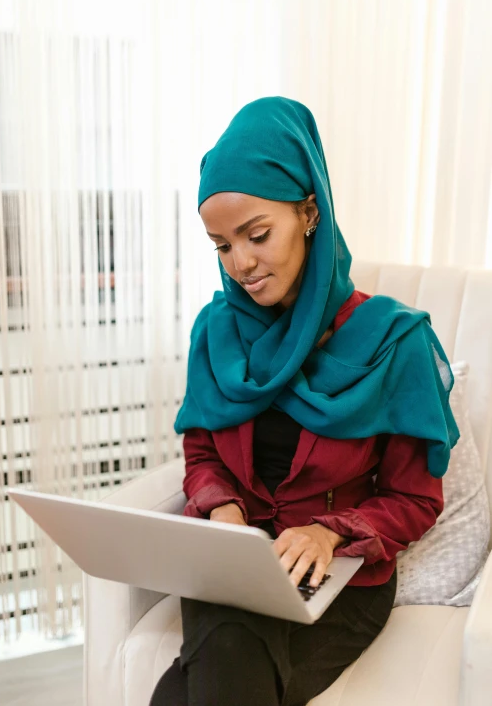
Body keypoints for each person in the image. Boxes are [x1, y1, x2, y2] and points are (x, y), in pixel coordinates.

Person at [149, 96, 459, 706]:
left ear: (309, 212)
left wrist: (328, 533)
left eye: (256, 235)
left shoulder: (394, 341)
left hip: (341, 579)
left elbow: (416, 498)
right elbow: (202, 452)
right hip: (235, 571)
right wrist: (223, 515)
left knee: (191, 687)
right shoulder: (217, 333)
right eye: (220, 246)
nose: (240, 264)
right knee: (232, 652)